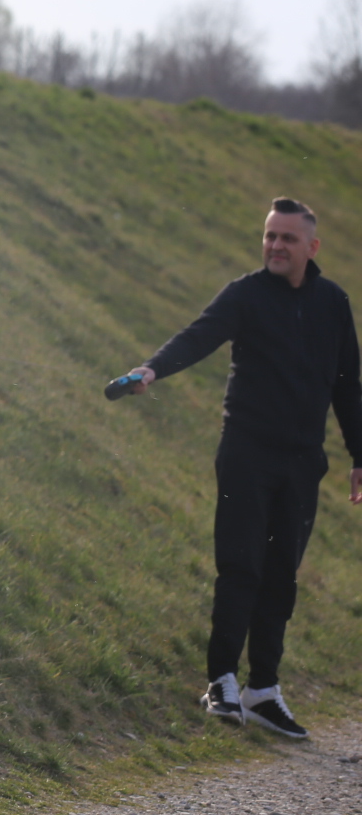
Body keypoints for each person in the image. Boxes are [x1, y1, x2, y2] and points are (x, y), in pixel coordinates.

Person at [115, 197, 362, 739]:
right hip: (247, 454)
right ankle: (221, 680)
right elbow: (199, 335)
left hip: (303, 464)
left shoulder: (332, 303)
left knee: (281, 577)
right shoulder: (245, 294)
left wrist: (359, 454)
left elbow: (348, 385)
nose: (275, 245)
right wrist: (153, 369)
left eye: (287, 238)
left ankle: (263, 689)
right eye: (270, 236)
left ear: (312, 248)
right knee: (241, 566)